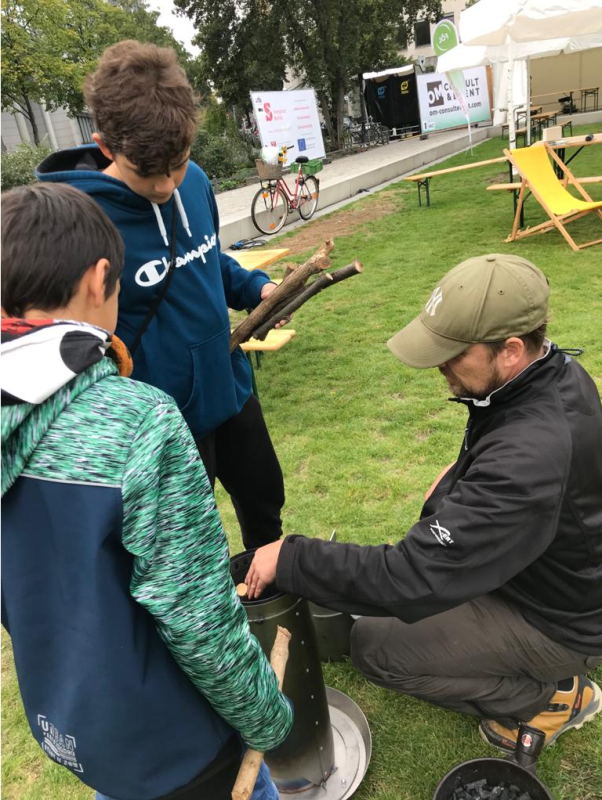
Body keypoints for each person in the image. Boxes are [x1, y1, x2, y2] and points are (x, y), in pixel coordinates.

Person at [1, 183, 292, 800]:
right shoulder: (138, 422)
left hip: (77, 727)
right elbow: (198, 616)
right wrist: (267, 715)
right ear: (99, 277)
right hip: (181, 746)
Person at [245, 253, 602, 751]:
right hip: (541, 574)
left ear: (511, 349)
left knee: (375, 648)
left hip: (556, 622)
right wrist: (458, 483)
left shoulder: (531, 453)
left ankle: (550, 697)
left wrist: (292, 556)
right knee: (389, 612)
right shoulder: (550, 373)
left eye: (454, 354)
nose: (438, 366)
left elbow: (408, 579)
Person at [36, 40, 285, 550]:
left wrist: (257, 288)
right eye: (150, 173)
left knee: (267, 510)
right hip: (164, 421)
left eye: (179, 162)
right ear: (105, 146)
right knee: (190, 551)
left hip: (231, 385)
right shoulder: (80, 224)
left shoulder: (193, 180)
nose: (169, 184)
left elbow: (207, 258)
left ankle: (279, 617)